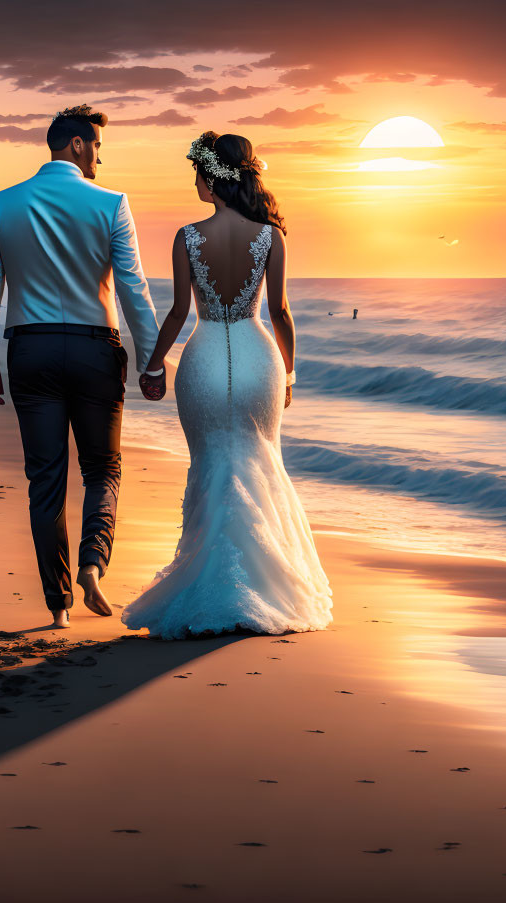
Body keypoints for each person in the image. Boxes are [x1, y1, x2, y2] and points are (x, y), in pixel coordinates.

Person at [122, 131, 333, 639]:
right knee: (258, 458)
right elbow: (280, 312)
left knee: (214, 462)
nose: (194, 181)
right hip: (260, 358)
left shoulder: (188, 237)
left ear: (213, 178)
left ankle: (211, 585)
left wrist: (152, 365)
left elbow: (176, 312)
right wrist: (290, 370)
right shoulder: (270, 237)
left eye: (197, 172)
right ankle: (262, 587)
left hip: (204, 356)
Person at [0, 104, 167, 629]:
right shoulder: (111, 204)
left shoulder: (2, 204)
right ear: (78, 145)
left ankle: (57, 605)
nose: (101, 155)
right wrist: (152, 362)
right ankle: (92, 564)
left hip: (30, 351)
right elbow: (133, 289)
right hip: (94, 350)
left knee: (45, 479)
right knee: (103, 467)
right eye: (98, 145)